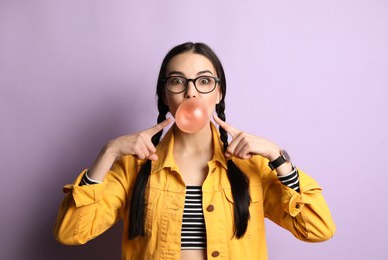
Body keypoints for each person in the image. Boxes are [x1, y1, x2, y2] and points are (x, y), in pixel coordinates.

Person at [54, 42, 336, 260]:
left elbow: (318, 229)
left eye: (203, 81)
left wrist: (277, 157)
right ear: (165, 96)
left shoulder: (252, 167)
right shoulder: (133, 167)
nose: (191, 92)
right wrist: (109, 152)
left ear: (219, 93)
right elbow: (70, 232)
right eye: (177, 81)